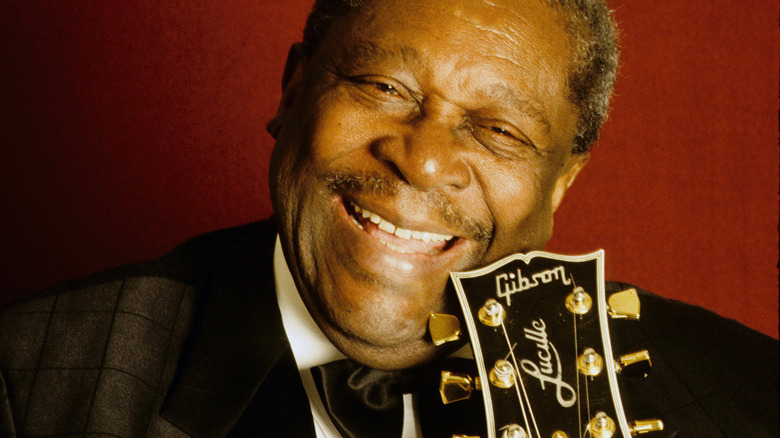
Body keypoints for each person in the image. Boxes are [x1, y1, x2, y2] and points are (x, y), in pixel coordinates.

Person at [1, 0, 776, 437]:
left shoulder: (748, 398)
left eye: (499, 130)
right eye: (382, 87)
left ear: (560, 185)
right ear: (293, 90)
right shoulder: (27, 386)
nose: (423, 159)